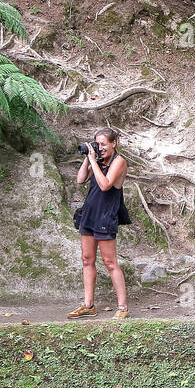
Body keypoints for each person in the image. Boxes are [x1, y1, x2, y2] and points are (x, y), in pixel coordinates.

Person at [68, 127, 131, 319]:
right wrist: (89, 157)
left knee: (110, 262)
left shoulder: (119, 162)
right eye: (98, 144)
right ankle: (88, 305)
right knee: (87, 260)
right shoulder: (97, 161)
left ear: (114, 143)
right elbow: (80, 179)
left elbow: (105, 185)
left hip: (105, 216)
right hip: (89, 214)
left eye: (104, 144)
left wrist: (94, 161)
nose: (101, 148)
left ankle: (122, 308)